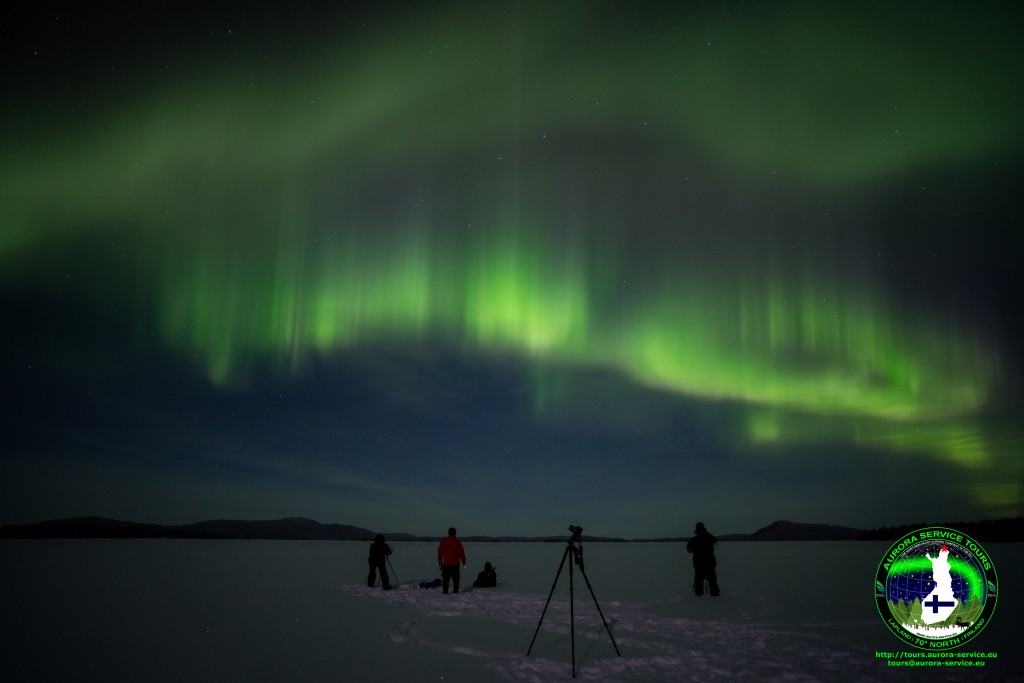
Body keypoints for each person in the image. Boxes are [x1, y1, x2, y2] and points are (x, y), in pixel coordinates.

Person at [686, 522, 720, 596]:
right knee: (711, 579)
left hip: (699, 563)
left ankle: (699, 594)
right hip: (709, 562)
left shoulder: (694, 540)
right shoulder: (709, 537)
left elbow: (689, 550)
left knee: (699, 580)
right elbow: (715, 540)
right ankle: (714, 594)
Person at [437, 526, 467, 594]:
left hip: (446, 564)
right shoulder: (457, 542)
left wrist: (440, 561)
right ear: (455, 533)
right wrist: (464, 562)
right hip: (455, 565)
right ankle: (455, 591)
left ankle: (445, 591)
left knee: (446, 579)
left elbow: (440, 552)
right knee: (456, 579)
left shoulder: (444, 541)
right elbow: (461, 553)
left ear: (448, 533)